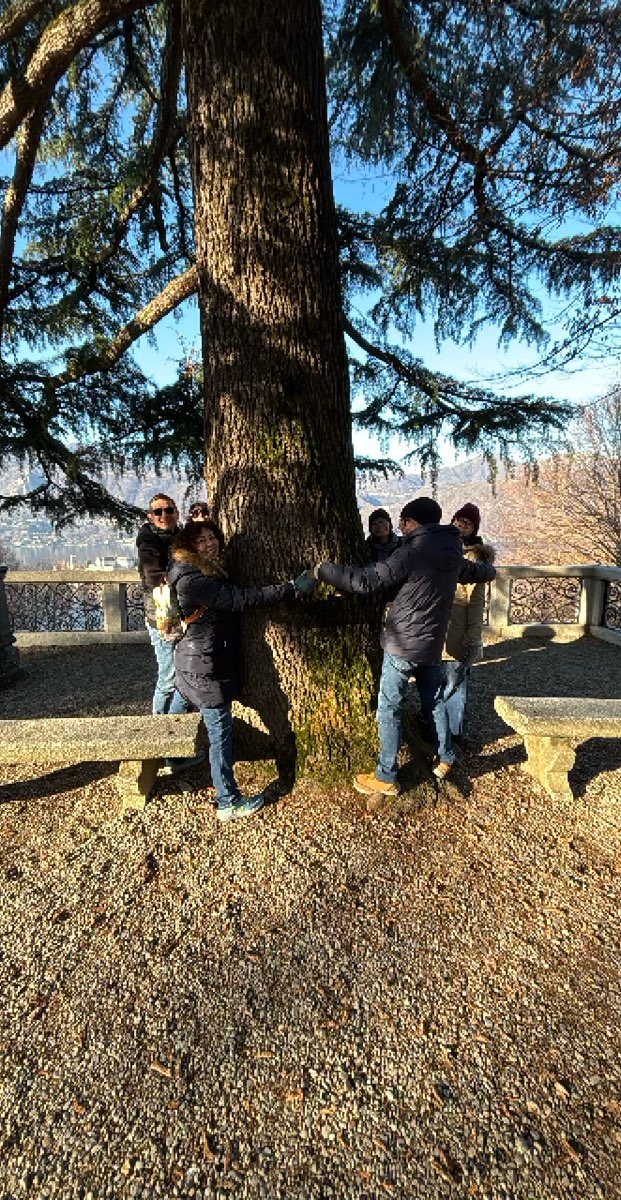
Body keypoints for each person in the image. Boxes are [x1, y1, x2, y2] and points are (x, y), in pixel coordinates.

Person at [310, 496, 496, 796]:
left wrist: (324, 570)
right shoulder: (452, 551)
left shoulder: (411, 551)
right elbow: (479, 572)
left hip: (403, 644)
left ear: (415, 522)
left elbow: (367, 580)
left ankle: (386, 775)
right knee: (433, 700)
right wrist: (492, 570)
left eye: (404, 521)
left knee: (389, 706)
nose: (400, 526)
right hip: (433, 644)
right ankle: (447, 756)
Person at [166, 520, 309, 822]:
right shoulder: (196, 580)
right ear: (190, 547)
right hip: (205, 665)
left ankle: (175, 757)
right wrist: (292, 589)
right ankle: (227, 801)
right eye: (201, 541)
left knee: (181, 696)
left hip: (190, 659)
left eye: (212, 538)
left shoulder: (187, 569)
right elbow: (242, 599)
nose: (210, 544)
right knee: (220, 734)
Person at [443, 504, 495, 742]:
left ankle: (452, 732)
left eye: (468, 523)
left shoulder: (474, 557)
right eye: (459, 520)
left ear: (474, 528)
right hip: (438, 624)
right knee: (437, 680)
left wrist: (474, 636)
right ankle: (438, 729)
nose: (462, 525)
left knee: (455, 680)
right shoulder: (443, 546)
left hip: (457, 626)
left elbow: (476, 601)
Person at [136, 493, 182, 714]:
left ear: (177, 512)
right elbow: (153, 575)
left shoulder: (181, 537)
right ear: (150, 516)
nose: (164, 515)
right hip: (160, 618)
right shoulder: (148, 543)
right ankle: (158, 724)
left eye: (169, 510)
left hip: (182, 614)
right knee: (168, 677)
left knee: (183, 673)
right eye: (158, 512)